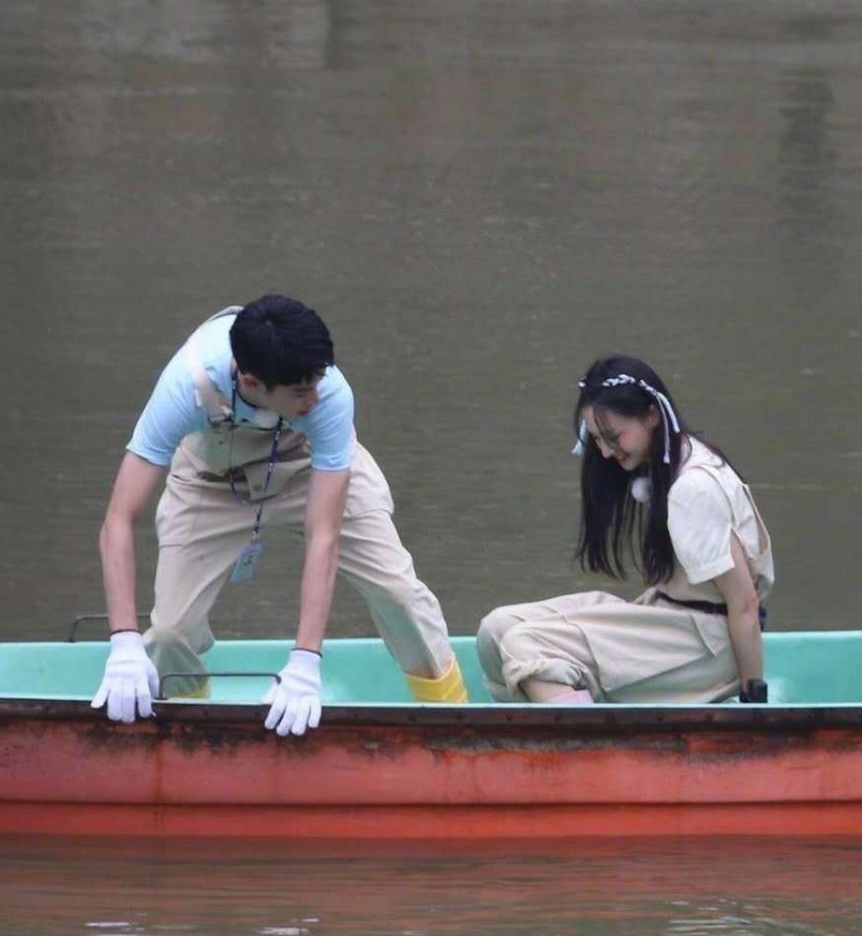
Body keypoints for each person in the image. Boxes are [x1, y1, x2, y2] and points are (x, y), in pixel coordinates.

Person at [91, 296, 466, 733]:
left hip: (312, 466)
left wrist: (306, 662)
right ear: (251, 381)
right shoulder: (185, 386)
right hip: (214, 480)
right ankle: (190, 731)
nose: (315, 396)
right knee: (169, 633)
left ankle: (456, 722)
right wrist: (123, 641)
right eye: (301, 392)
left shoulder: (329, 398)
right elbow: (118, 518)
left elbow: (323, 533)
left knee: (400, 595)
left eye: (318, 381)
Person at [477, 355, 774, 705]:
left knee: (524, 645)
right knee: (496, 630)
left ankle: (589, 752)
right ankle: (551, 733)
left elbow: (744, 603)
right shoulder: (670, 463)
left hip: (704, 646)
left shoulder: (694, 489)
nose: (604, 452)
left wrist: (753, 699)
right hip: (668, 619)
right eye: (597, 439)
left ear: (651, 415)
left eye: (613, 437)